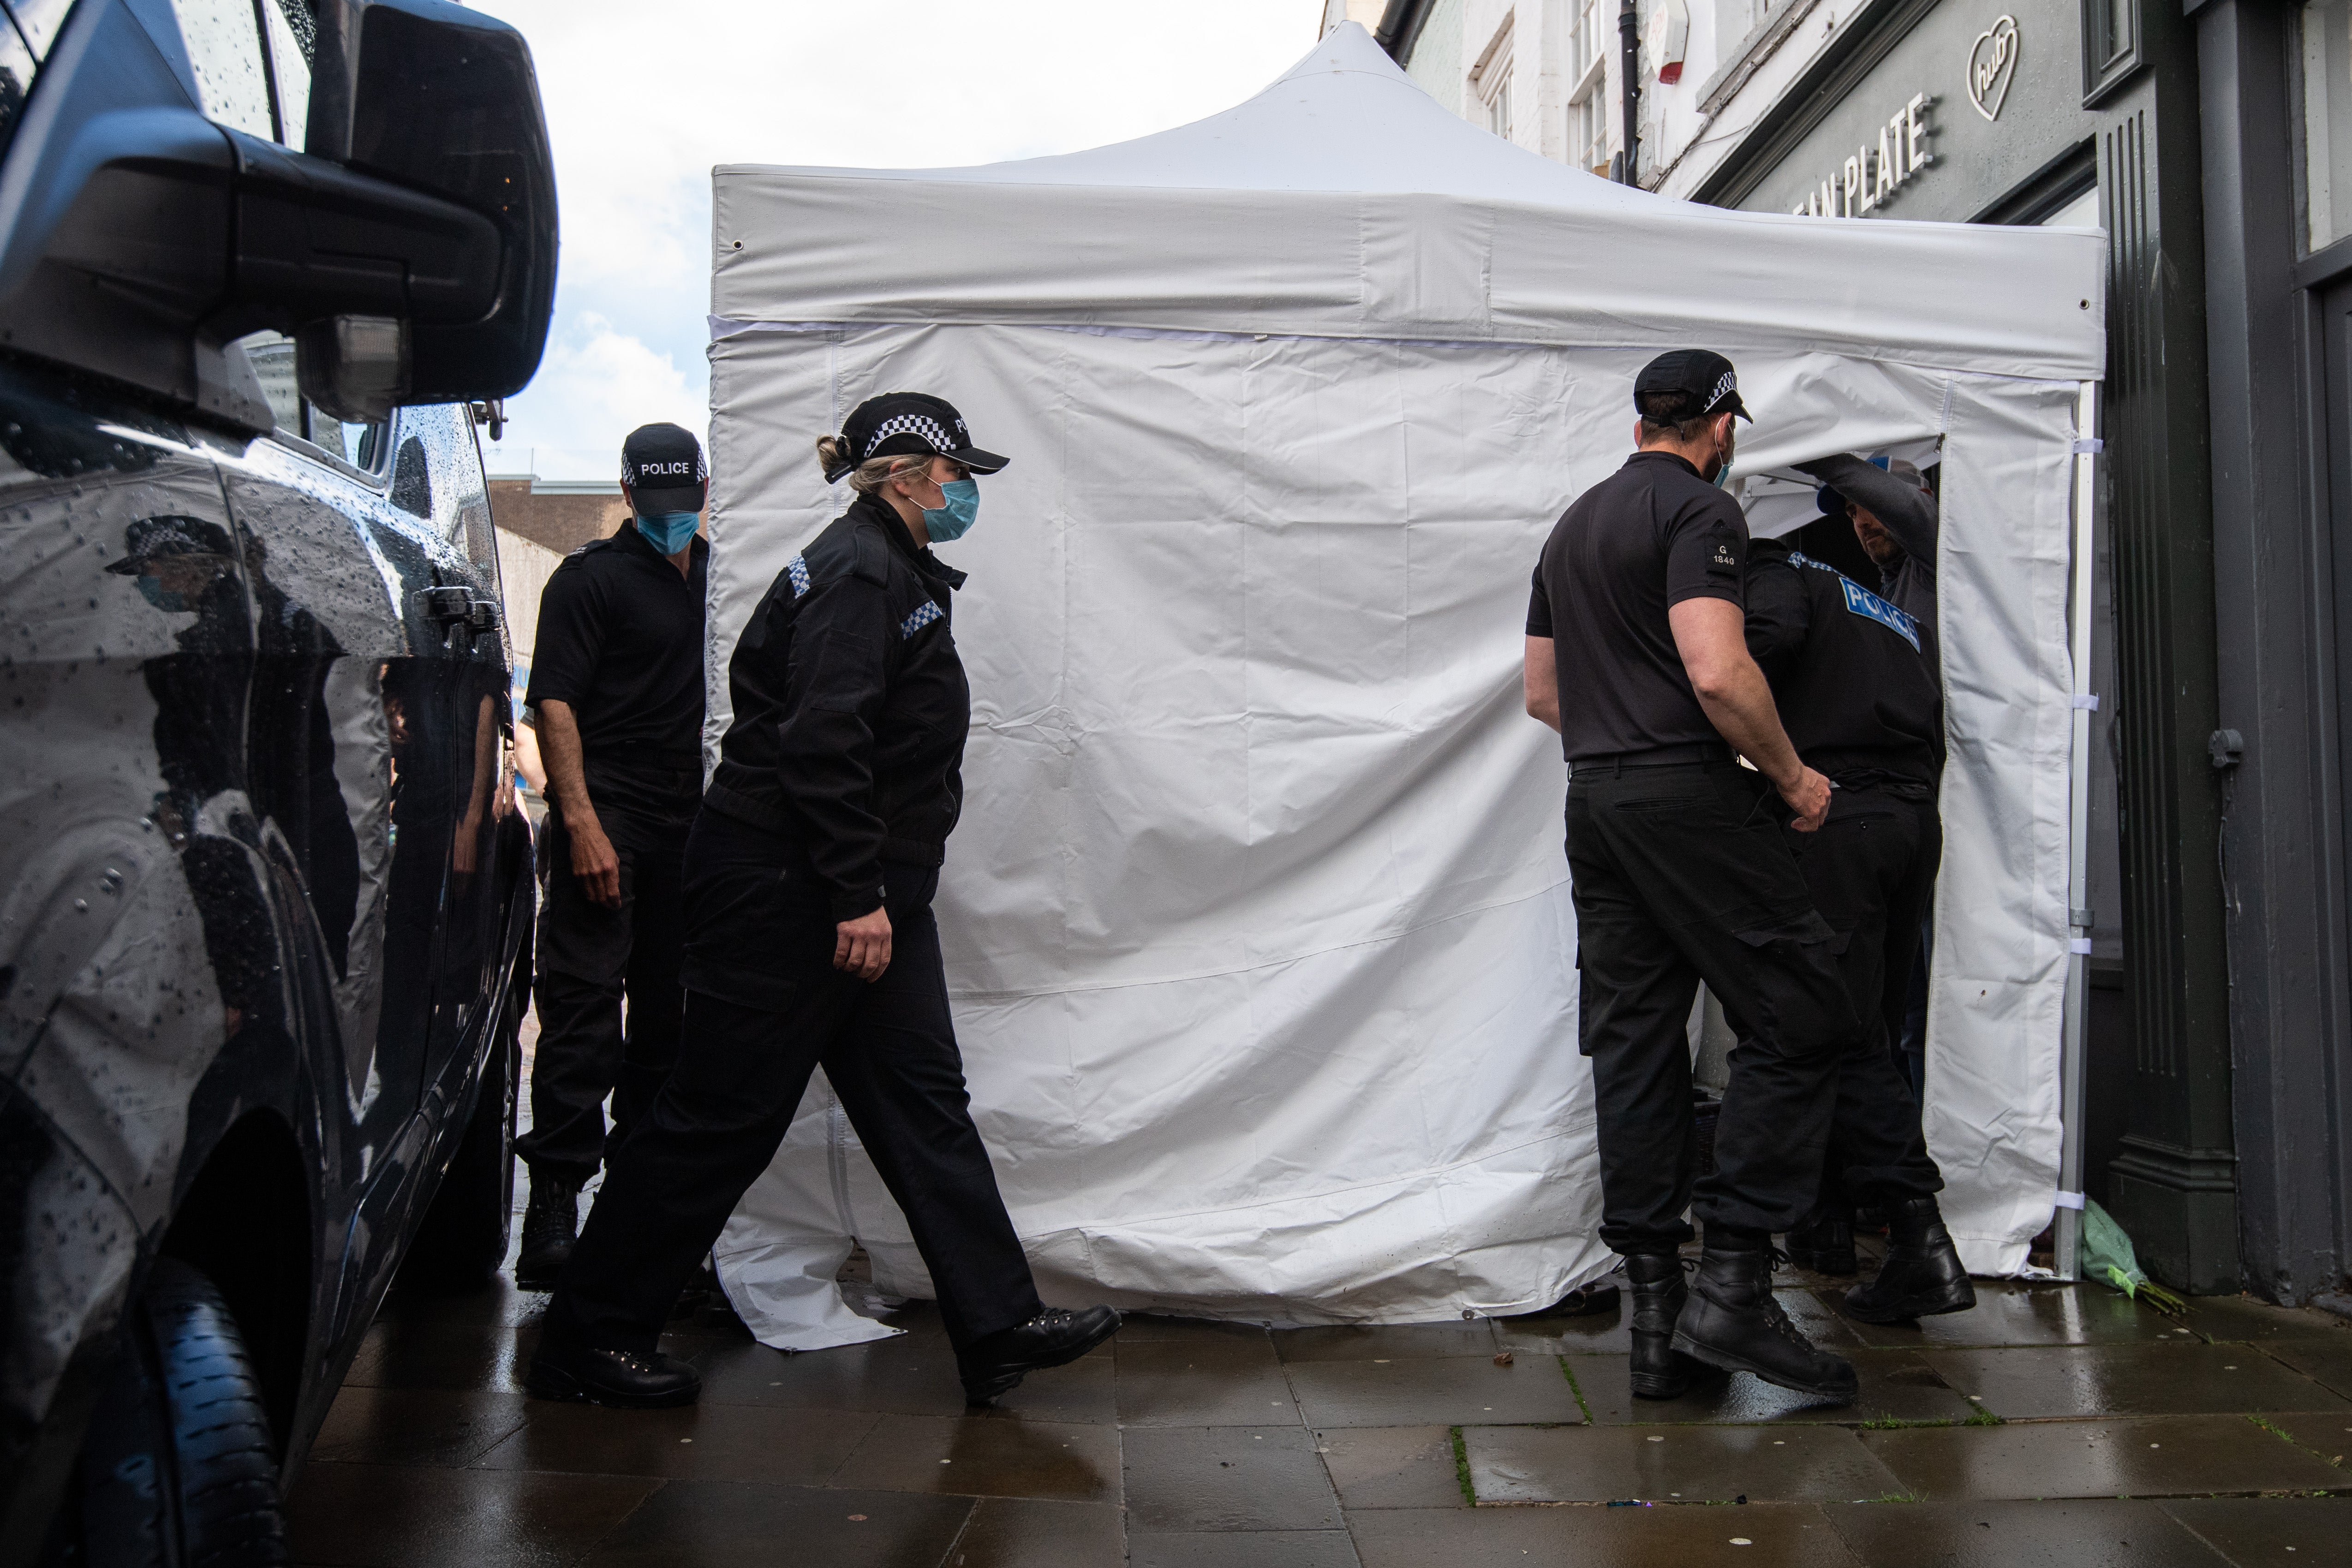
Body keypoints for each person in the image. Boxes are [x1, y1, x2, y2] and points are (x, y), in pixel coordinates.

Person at [530, 393, 1121, 1409]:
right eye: (952, 476)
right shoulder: (860, 573)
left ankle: (995, 1321)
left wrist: (873, 888)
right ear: (901, 478)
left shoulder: (885, 567)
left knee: (920, 1101)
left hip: (861, 890)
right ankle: (588, 1334)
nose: (963, 491)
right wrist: (854, 890)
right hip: (794, 891)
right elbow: (818, 740)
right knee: (718, 1114)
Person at [1522, 350, 1860, 1406]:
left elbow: (1542, 694)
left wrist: (1623, 741)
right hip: (1682, 792)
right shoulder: (1702, 515)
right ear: (1719, 427)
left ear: (1638, 425)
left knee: (1633, 1036)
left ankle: (1657, 1324)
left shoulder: (1573, 523)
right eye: (1731, 429)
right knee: (1804, 1007)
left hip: (1596, 798)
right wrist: (1794, 776)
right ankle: (1736, 1284)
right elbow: (1717, 668)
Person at [1737, 531, 1975, 1321]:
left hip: (1836, 814)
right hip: (1908, 819)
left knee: (1834, 1025)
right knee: (1862, 1017)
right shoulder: (1877, 606)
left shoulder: (1772, 572)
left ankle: (1920, 1239)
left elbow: (1761, 647)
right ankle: (1827, 1222)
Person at [512, 423, 711, 1288]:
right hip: (611, 807)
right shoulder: (589, 579)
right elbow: (553, 706)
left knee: (669, 1023)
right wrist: (581, 824)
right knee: (585, 1011)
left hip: (689, 823)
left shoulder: (718, 578)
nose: (674, 517)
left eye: (686, 501)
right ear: (628, 496)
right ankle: (555, 1207)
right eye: (658, 502)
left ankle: (638, 1215)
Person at [1803, 453, 1942, 1097]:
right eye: (1853, 514)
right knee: (1903, 997)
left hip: (1944, 798)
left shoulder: (1937, 560)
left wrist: (1816, 449)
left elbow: (1914, 515)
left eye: (1870, 506)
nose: (1862, 522)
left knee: (1927, 998)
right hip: (1903, 803)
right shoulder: (1885, 591)